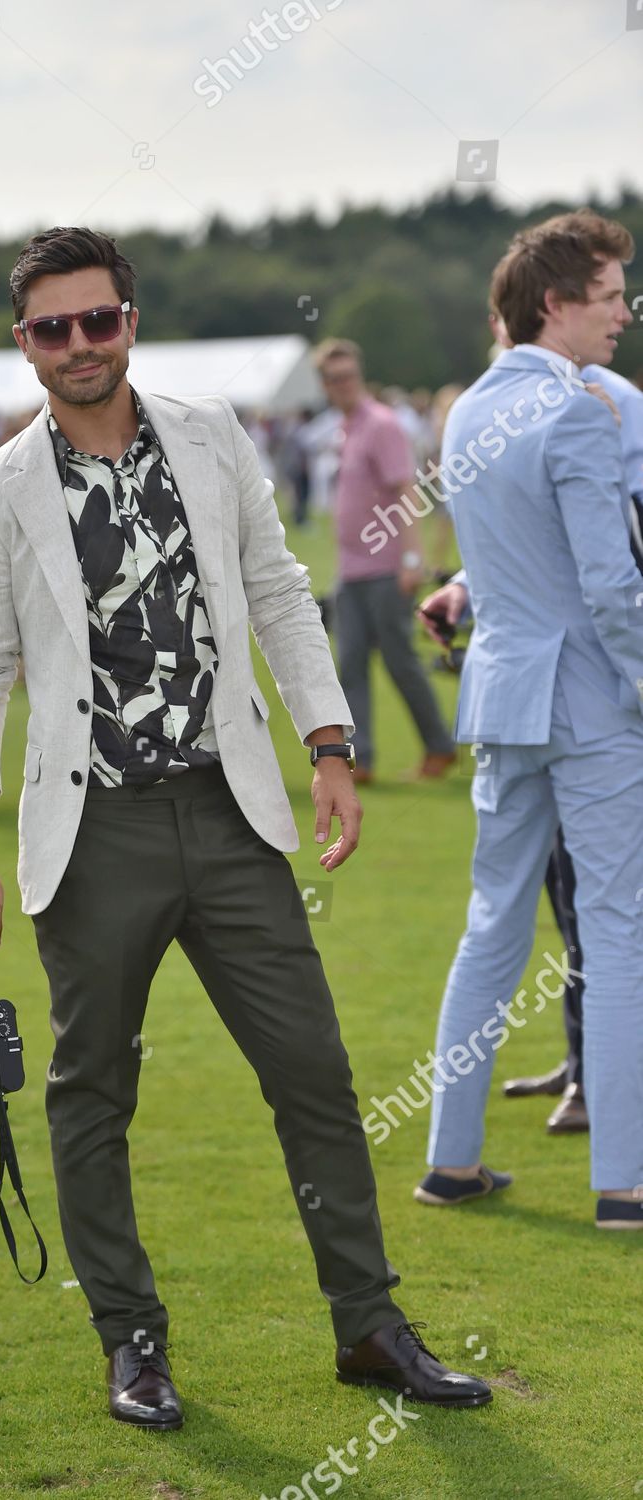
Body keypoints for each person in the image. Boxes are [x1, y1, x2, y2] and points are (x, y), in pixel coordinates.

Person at [0, 226, 492, 1429]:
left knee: (314, 1076)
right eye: (51, 327)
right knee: (91, 1094)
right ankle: (129, 1342)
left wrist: (331, 748)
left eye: (98, 319)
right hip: (89, 836)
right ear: (23, 342)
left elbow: (281, 593)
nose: (79, 344)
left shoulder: (212, 434)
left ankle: (367, 1324)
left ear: (129, 320)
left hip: (232, 813)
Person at [412, 210, 643, 1230]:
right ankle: (624, 1183)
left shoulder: (463, 412)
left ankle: (449, 1160)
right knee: (618, 932)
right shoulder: (581, 411)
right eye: (606, 298)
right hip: (589, 701)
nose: (623, 316)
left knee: (489, 927)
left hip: (504, 698)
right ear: (553, 304)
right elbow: (611, 591)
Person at [316, 339, 457, 785]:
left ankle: (439, 747)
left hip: (386, 568)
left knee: (400, 662)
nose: (344, 385)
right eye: (334, 379)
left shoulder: (380, 424)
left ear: (360, 375)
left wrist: (413, 560)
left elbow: (406, 492)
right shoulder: (347, 427)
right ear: (325, 384)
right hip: (352, 570)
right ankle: (364, 760)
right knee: (350, 664)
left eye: (349, 376)